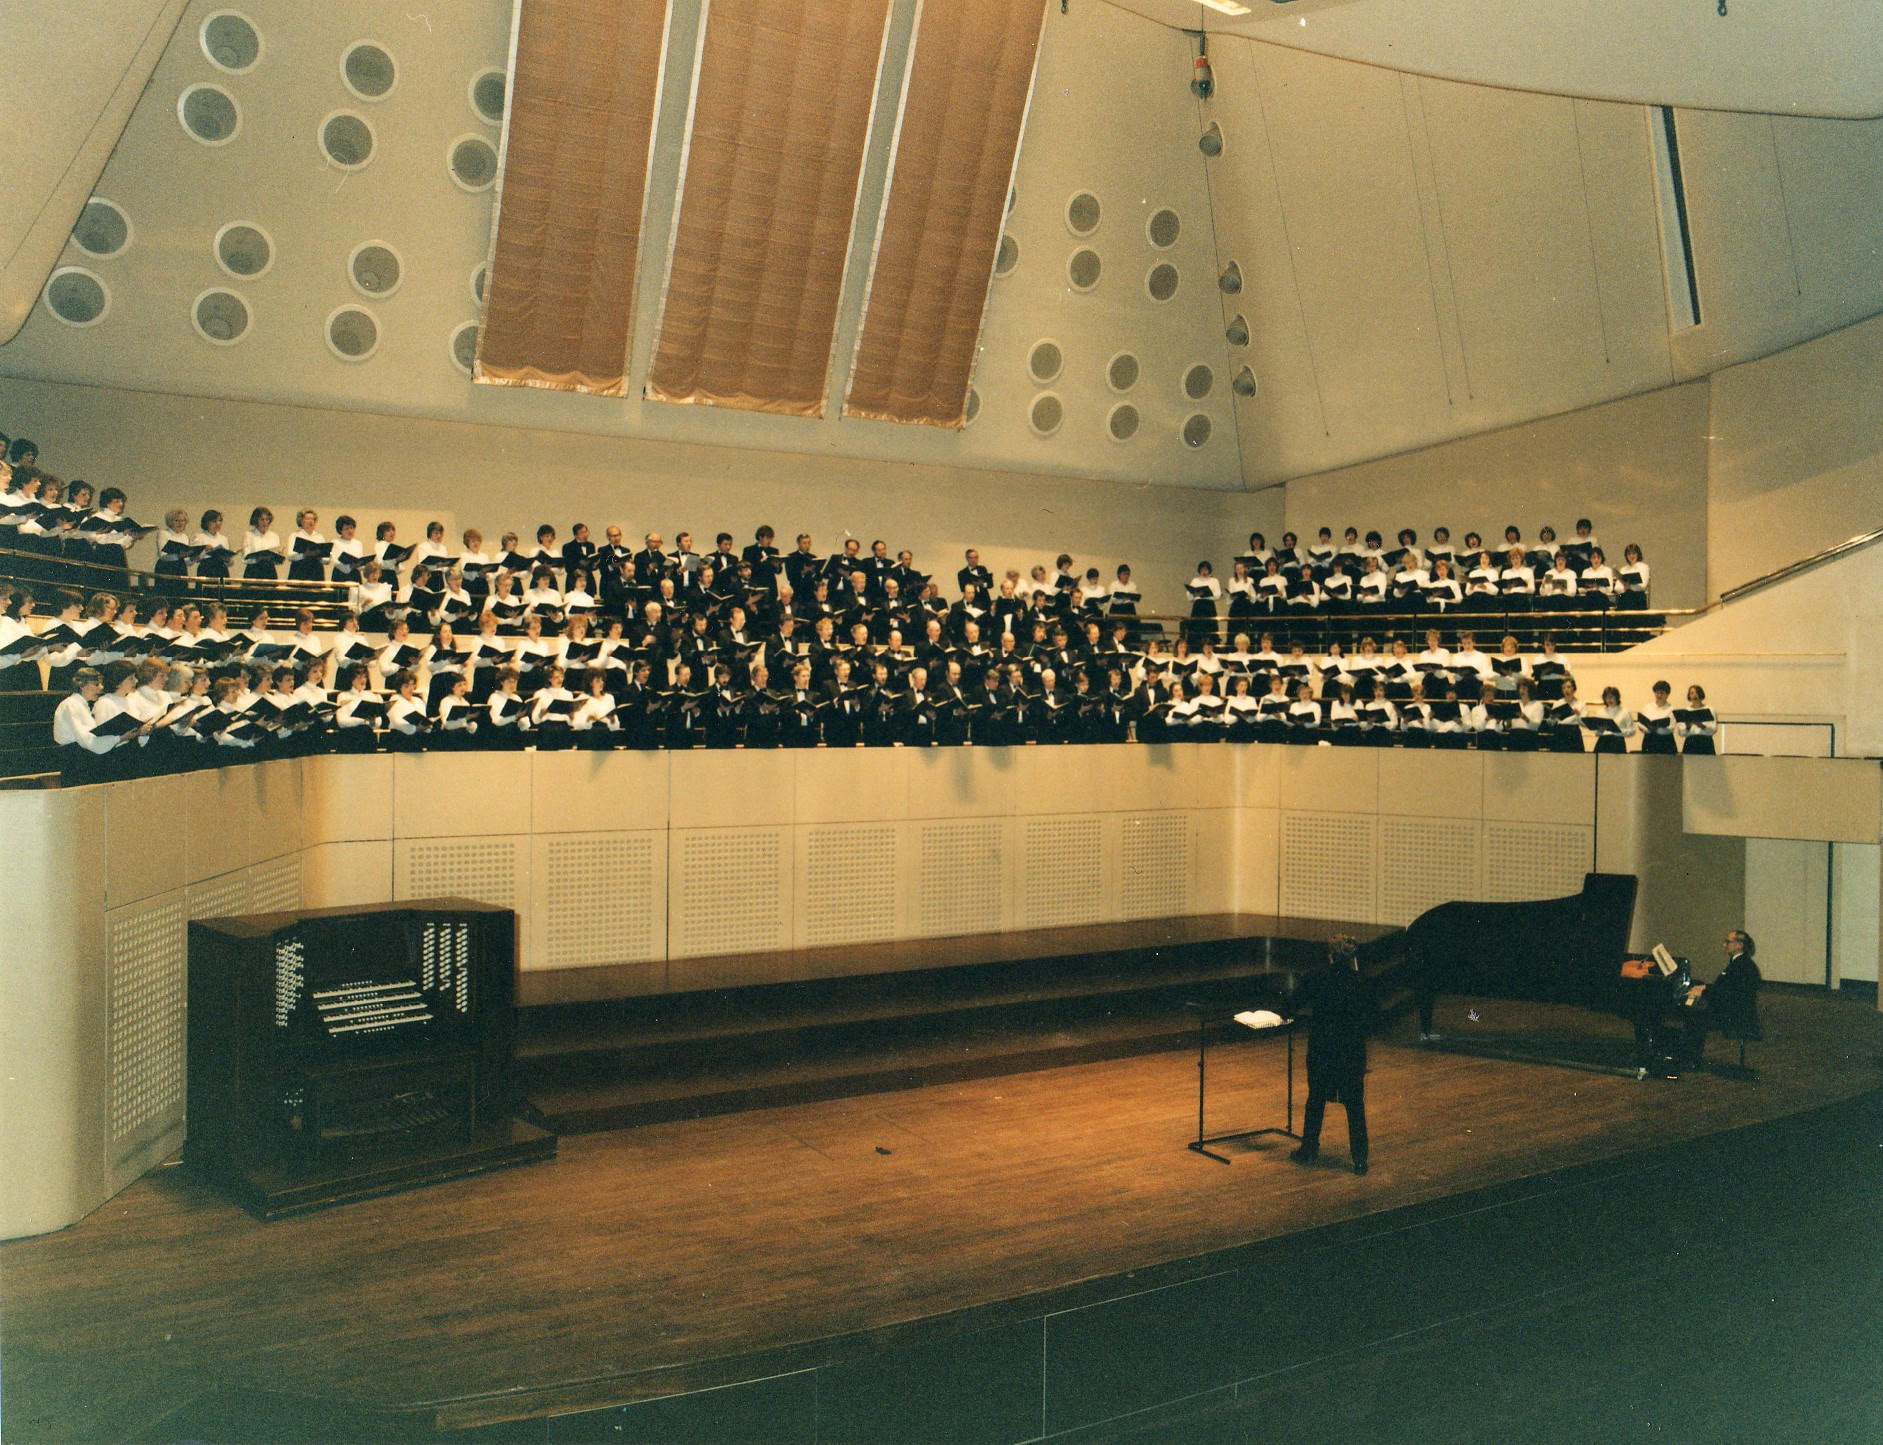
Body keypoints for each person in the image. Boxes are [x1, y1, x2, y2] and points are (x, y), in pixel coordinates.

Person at [1290, 935, 1372, 1175]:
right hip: (1351, 1051)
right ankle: (1359, 1159)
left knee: (1315, 1099)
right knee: (1355, 1105)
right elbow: (1374, 1015)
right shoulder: (1361, 981)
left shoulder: (1316, 978)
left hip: (1323, 1050)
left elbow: (1292, 1005)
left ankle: (1308, 1149)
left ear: (1330, 956)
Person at [1677, 929, 1762, 1072]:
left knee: (1695, 1017)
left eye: (1728, 942)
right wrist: (1703, 988)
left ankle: (1690, 1060)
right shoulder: (1740, 963)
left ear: (1739, 945)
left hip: (1735, 1016)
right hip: (1734, 1011)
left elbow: (1725, 993)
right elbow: (1724, 988)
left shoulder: (1741, 966)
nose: (1724, 945)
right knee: (1696, 1014)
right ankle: (1688, 1057)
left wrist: (1703, 991)